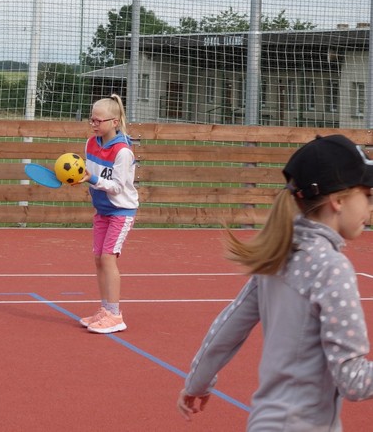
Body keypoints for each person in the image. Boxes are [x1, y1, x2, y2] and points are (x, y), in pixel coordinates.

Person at [177, 134, 373, 431]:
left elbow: (227, 328)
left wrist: (196, 383)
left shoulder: (279, 255)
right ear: (338, 200)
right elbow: (353, 380)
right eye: (366, 195)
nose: (370, 207)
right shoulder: (332, 268)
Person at [76, 94, 139, 334]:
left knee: (108, 258)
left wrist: (91, 178)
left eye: (98, 121)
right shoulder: (91, 143)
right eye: (91, 119)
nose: (93, 124)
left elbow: (117, 187)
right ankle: (105, 309)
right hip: (102, 209)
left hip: (121, 210)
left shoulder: (123, 151)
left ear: (114, 122)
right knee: (98, 259)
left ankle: (115, 315)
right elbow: (87, 171)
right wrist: (74, 176)